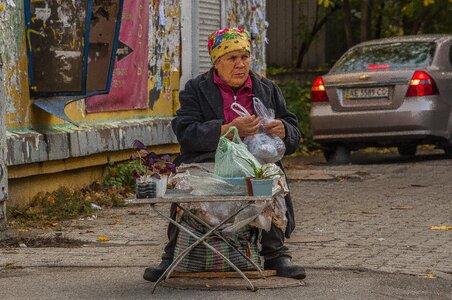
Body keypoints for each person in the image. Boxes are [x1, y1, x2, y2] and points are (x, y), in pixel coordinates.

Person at [143, 27, 305, 281]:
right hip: (208, 160)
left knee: (271, 178)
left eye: (244, 57)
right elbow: (185, 131)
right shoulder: (196, 89)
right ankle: (171, 257)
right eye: (232, 58)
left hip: (256, 162)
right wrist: (227, 129)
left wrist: (284, 130)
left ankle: (275, 254)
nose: (240, 64)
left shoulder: (266, 88)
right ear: (217, 62)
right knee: (184, 182)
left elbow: (293, 128)